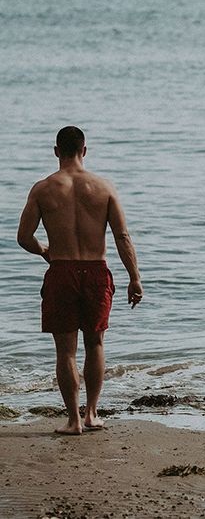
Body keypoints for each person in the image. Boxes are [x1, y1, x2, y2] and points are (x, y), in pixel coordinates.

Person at [17, 126, 143, 435]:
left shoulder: (43, 189)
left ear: (56, 151)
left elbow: (23, 237)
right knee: (96, 343)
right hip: (96, 271)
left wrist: (46, 251)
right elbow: (122, 237)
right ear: (84, 151)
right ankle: (92, 414)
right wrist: (134, 278)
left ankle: (73, 420)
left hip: (62, 271)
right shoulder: (104, 188)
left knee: (65, 351)